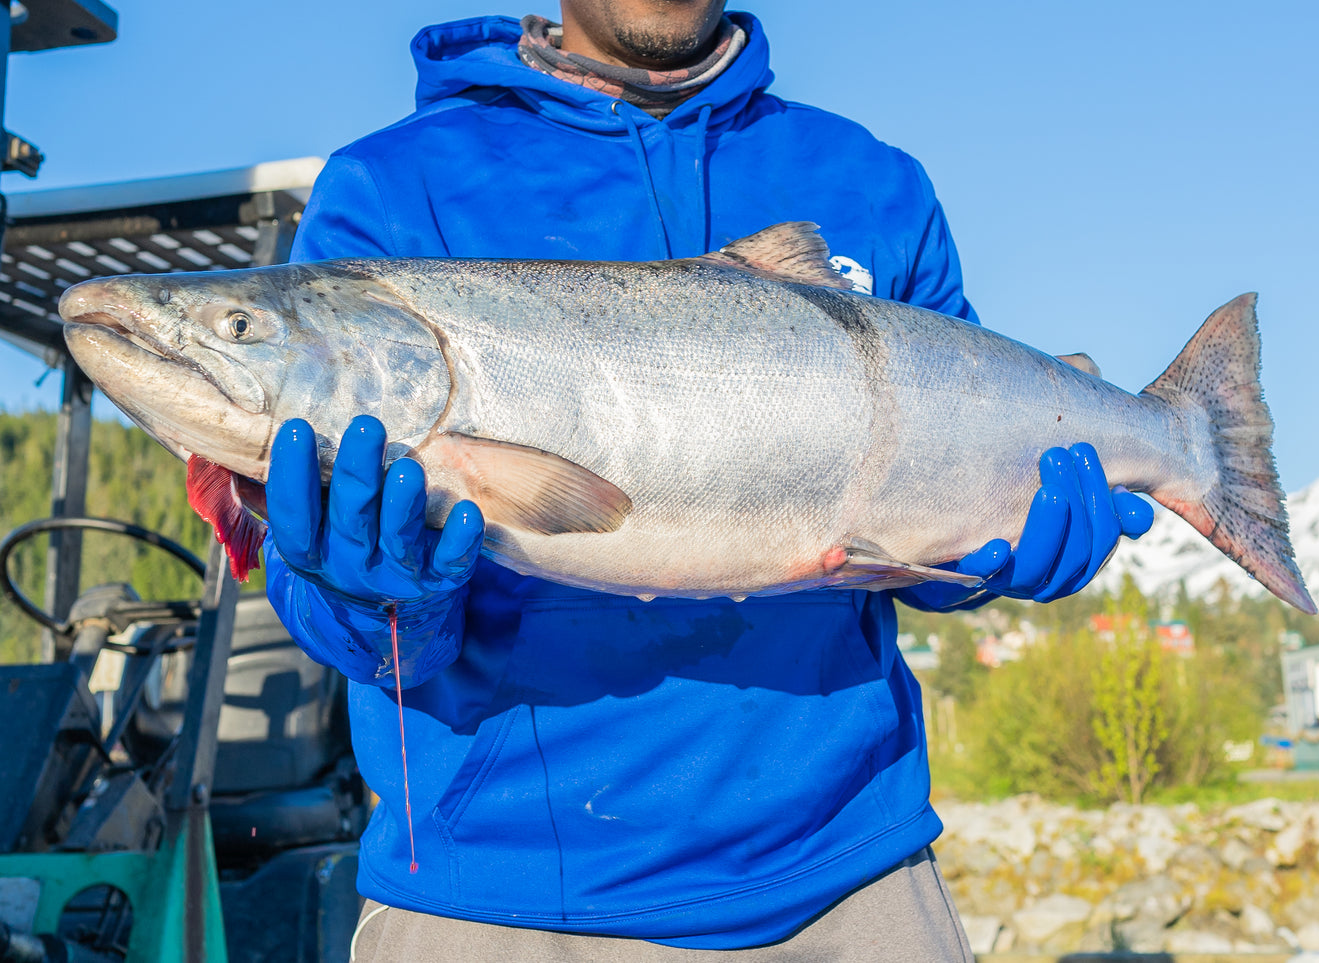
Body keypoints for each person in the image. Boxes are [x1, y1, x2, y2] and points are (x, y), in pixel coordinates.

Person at [264, 2, 1153, 959]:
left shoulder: (874, 182)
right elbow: (350, 625)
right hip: (500, 903)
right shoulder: (393, 186)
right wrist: (368, 598)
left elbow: (932, 519)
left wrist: (992, 555)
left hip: (856, 883)